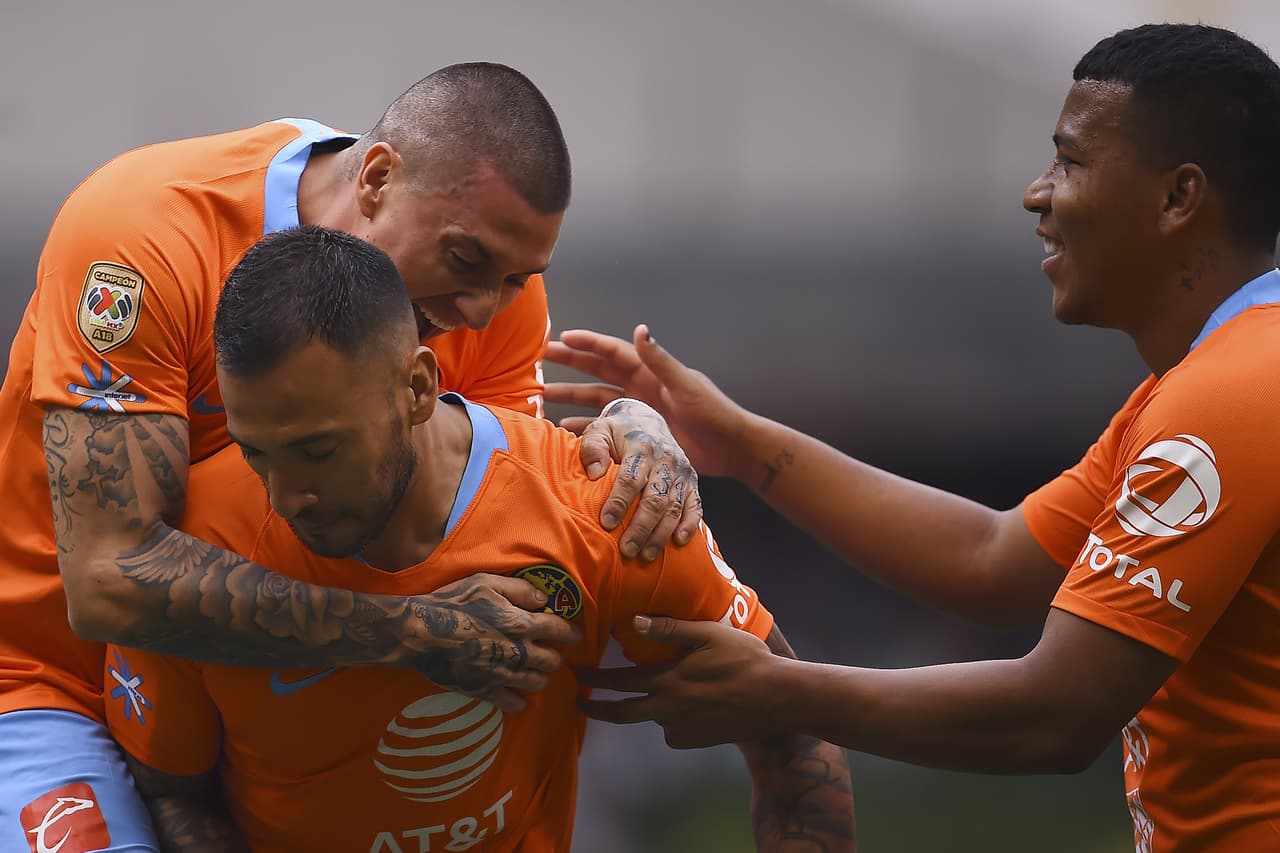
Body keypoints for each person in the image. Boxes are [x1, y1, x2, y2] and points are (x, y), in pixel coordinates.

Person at [553, 23, 1280, 853]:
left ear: (1179, 198)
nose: (1036, 195)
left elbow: (1059, 712)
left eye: (1071, 162)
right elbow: (993, 561)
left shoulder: (1227, 399)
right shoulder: (1206, 383)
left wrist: (779, 690)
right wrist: (742, 444)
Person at [2, 62, 699, 849]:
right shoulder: (142, 238)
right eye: (465, 261)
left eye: (514, 279)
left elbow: (496, 523)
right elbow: (107, 578)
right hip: (56, 687)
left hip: (263, 702)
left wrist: (628, 425)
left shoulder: (488, 295)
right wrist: (412, 631)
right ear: (375, 179)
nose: (480, 310)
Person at [101, 225, 856, 851]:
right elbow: (173, 794)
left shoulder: (606, 506)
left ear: (418, 387)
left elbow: (795, 736)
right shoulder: (192, 551)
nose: (283, 494)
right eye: (255, 451)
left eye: (319, 450)